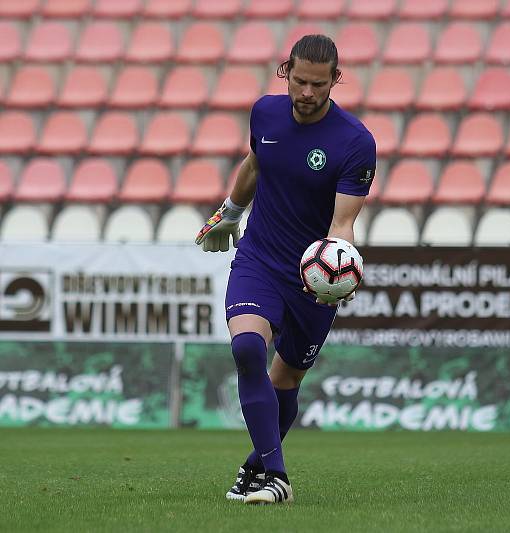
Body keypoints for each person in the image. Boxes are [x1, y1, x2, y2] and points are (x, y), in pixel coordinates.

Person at [195, 34, 376, 504]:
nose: (308, 93)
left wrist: (341, 269)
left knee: (286, 380)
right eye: (299, 81)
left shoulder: (355, 142)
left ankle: (256, 468)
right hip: (259, 258)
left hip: (311, 279)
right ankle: (277, 477)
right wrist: (230, 212)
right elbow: (256, 163)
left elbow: (343, 222)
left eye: (319, 84)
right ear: (285, 73)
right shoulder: (265, 113)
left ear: (335, 80)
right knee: (248, 350)